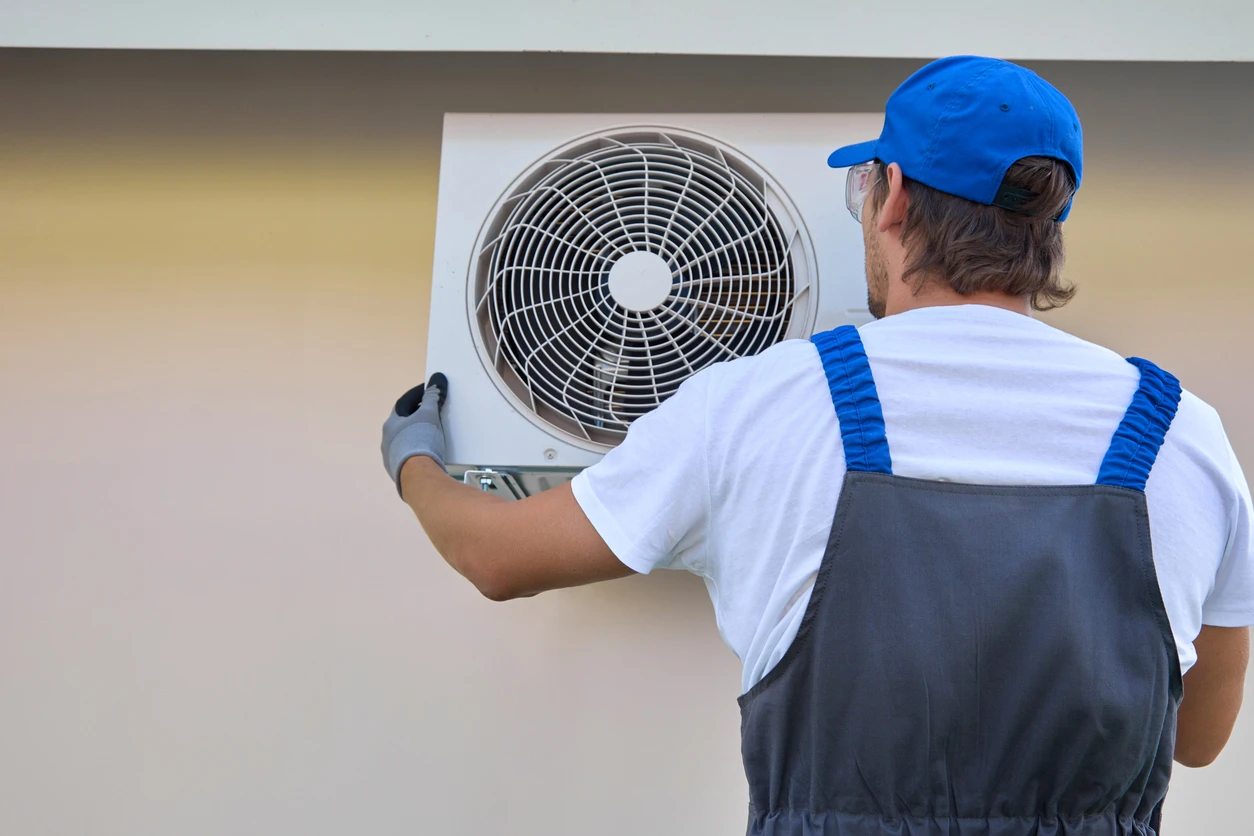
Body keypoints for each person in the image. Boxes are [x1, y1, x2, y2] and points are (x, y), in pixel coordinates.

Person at [381, 56, 1253, 835]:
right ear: (1047, 226)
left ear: (894, 197)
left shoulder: (760, 405)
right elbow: (1200, 738)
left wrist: (414, 457)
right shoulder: (1183, 435)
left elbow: (495, 557)